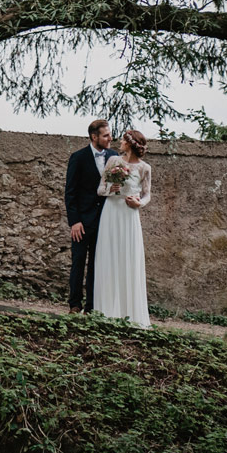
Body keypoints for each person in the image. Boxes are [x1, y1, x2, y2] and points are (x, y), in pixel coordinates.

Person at [93, 128, 152, 326]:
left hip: (129, 215)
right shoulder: (113, 162)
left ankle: (129, 313)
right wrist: (111, 189)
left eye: (123, 141)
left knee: (129, 258)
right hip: (111, 212)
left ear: (130, 144)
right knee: (110, 256)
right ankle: (107, 311)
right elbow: (100, 189)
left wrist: (139, 203)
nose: (119, 143)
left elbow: (147, 194)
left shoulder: (145, 168)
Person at [64, 118, 117, 313]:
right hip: (82, 222)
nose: (110, 138)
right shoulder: (78, 157)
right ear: (94, 137)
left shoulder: (114, 157)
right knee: (78, 262)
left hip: (104, 220)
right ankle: (75, 304)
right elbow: (70, 192)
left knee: (97, 264)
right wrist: (75, 221)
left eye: (109, 134)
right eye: (106, 135)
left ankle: (91, 307)